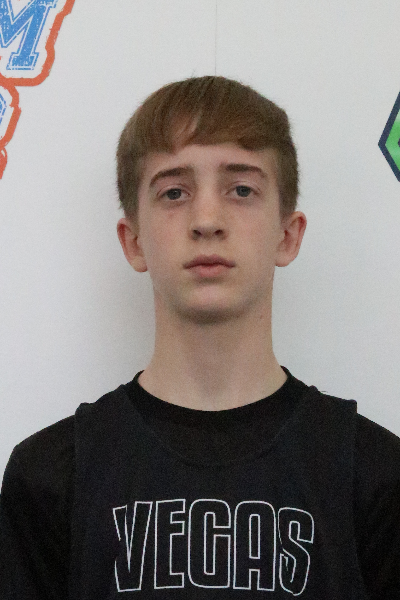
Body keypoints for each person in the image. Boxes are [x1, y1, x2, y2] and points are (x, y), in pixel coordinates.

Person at [1, 75, 399, 599]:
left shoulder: (373, 474)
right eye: (174, 192)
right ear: (133, 240)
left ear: (288, 234)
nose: (207, 220)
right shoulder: (51, 476)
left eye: (241, 189)